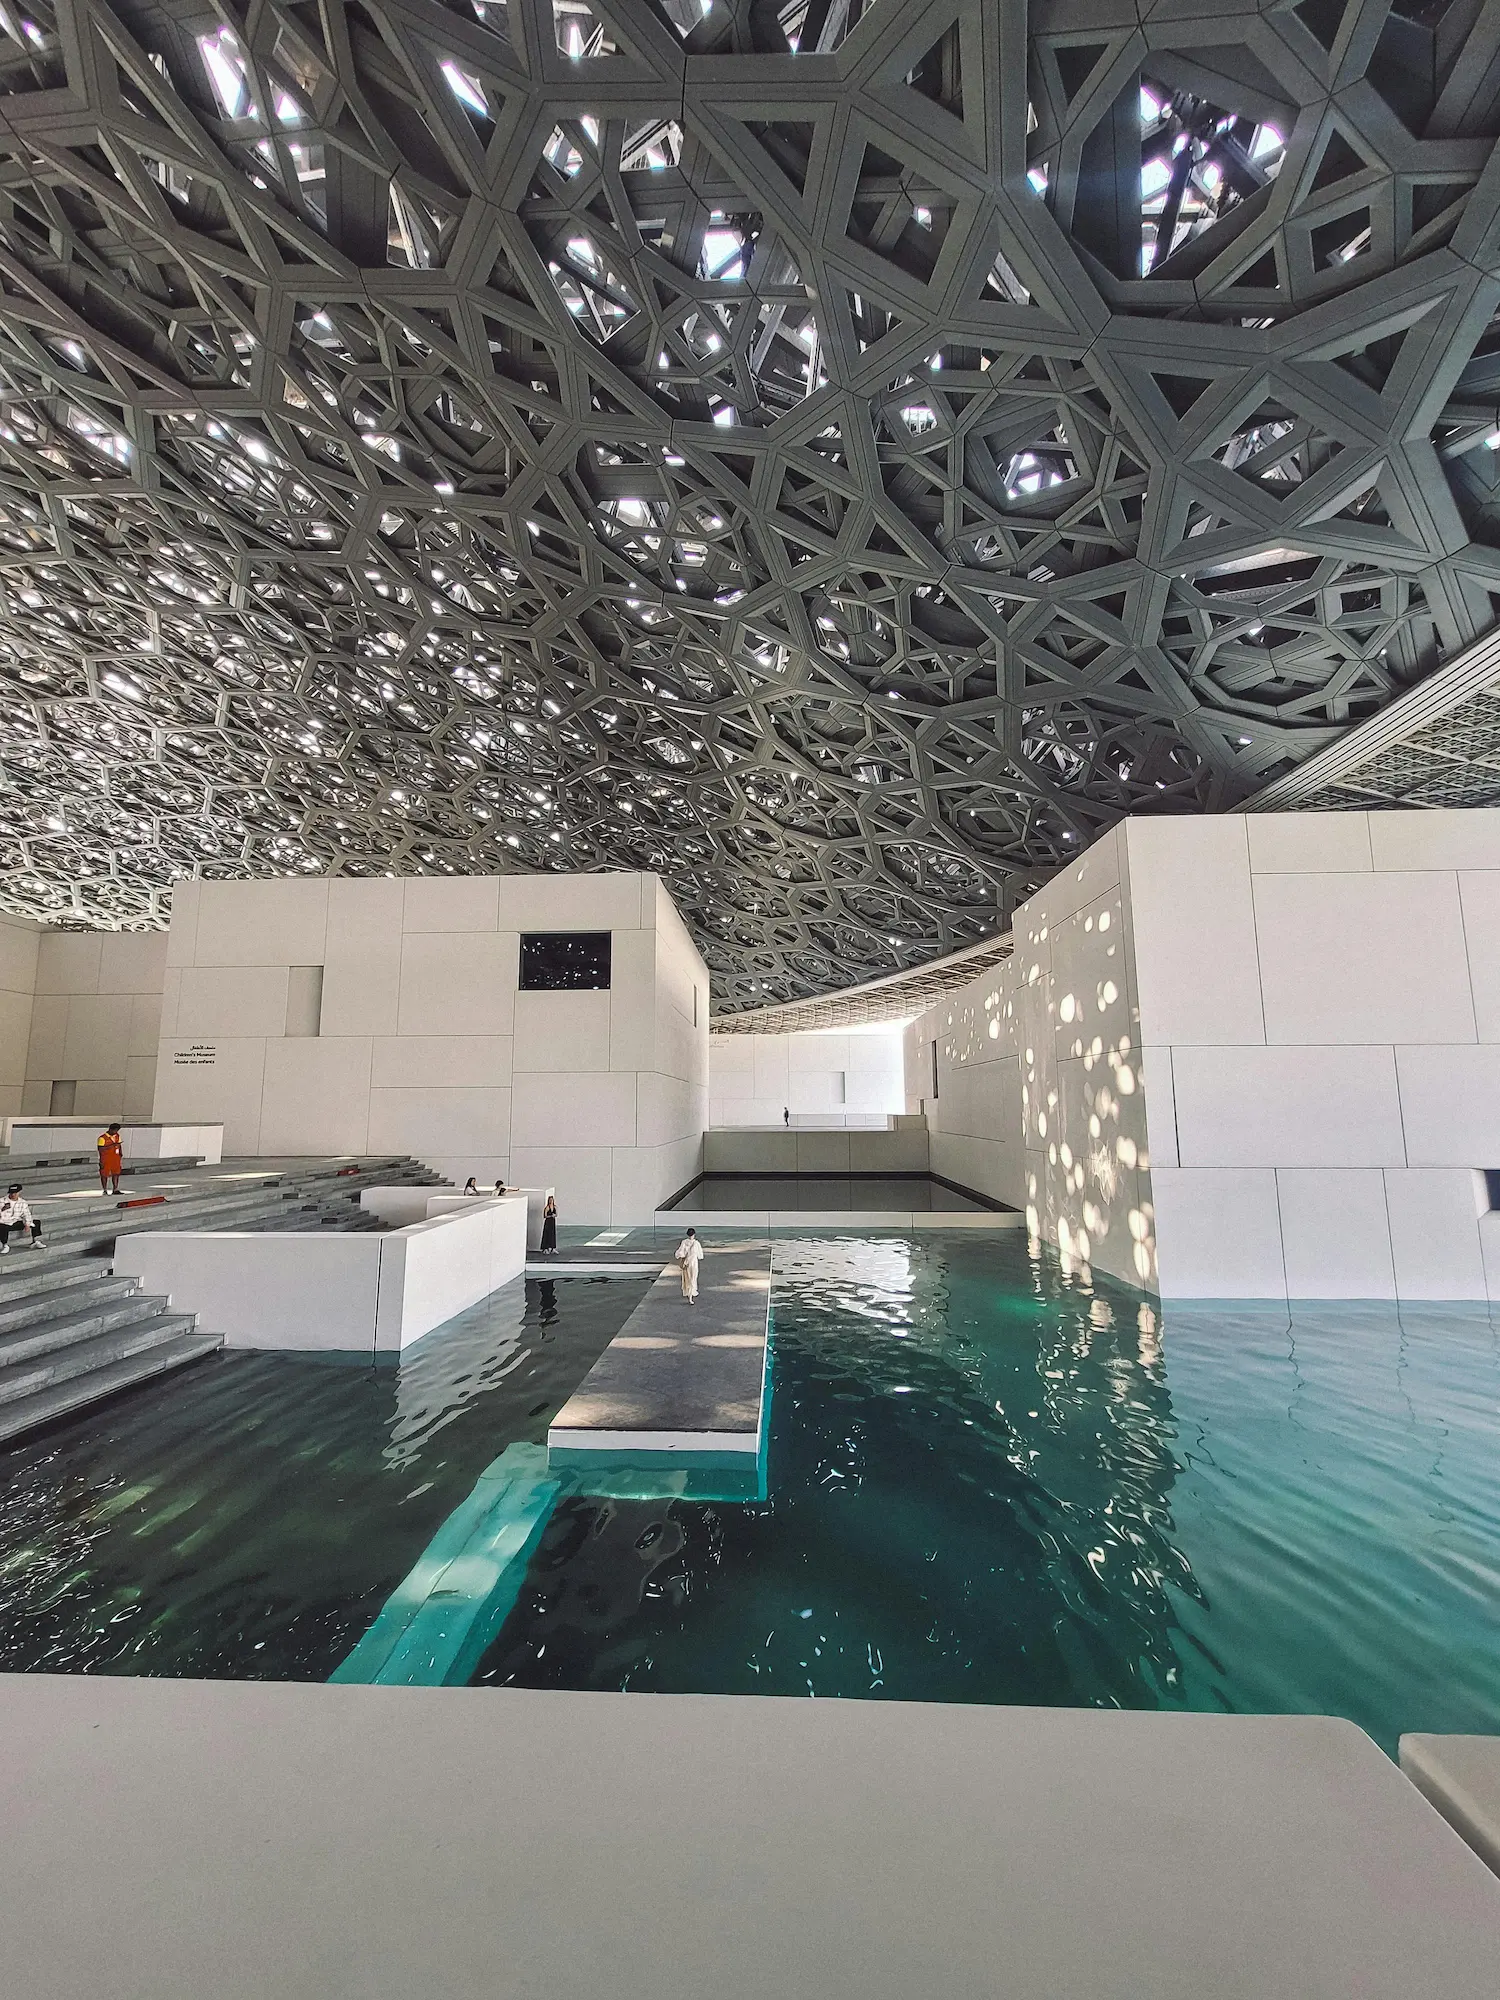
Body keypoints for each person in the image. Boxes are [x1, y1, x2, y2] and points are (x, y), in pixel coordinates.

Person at [0, 1184, 42, 1253]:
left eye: (15, 1193)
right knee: (2, 1227)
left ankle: (35, 1241)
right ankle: (5, 1245)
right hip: (3, 1222)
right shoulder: (1, 1201)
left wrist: (27, 1224)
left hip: (15, 1221)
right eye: (11, 1193)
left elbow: (26, 1214)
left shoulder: (23, 1202)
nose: (13, 1194)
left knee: (36, 1222)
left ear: (19, 1192)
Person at [674, 1226, 703, 1303]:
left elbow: (680, 1253)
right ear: (694, 1234)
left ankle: (688, 1294)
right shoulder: (696, 1243)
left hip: (686, 1263)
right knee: (693, 1279)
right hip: (693, 1263)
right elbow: (700, 1256)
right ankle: (691, 1296)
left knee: (687, 1279)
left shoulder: (684, 1242)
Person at [97, 1121, 123, 1195]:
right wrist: (112, 1145)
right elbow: (100, 1149)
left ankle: (115, 1189)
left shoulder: (117, 1136)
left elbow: (119, 1145)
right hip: (106, 1158)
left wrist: (121, 1153)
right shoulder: (102, 1138)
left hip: (116, 1157)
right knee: (104, 1174)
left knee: (116, 1173)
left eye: (117, 1130)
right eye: (114, 1130)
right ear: (110, 1129)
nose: (115, 1132)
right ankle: (105, 1189)